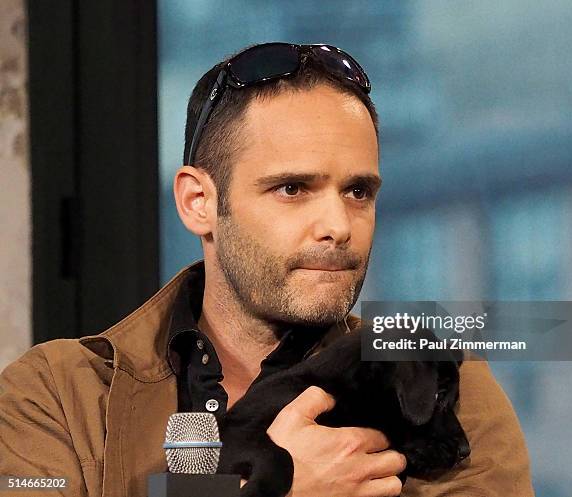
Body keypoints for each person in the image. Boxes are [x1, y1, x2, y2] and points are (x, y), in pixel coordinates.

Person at [0, 43, 534, 497]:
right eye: (292, 189)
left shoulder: (444, 385)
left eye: (357, 191)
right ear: (197, 202)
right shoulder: (58, 396)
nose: (338, 225)